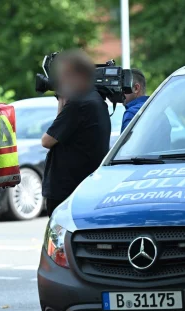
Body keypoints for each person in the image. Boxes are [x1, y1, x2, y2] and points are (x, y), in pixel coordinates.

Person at [41, 49, 111, 216]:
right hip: (83, 185)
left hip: (68, 189)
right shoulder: (94, 99)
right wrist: (63, 100)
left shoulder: (79, 104)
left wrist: (65, 102)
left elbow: (47, 141)